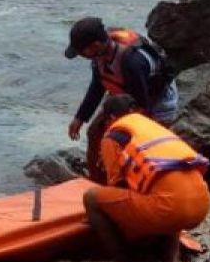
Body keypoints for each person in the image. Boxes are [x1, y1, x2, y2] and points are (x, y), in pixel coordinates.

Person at [83, 94, 210, 262]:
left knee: (91, 199)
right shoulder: (153, 126)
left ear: (111, 118)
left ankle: (120, 261)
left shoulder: (113, 136)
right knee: (164, 188)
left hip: (170, 210)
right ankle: (171, 260)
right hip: (201, 205)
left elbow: (116, 185)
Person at [65, 17, 178, 184]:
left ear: (95, 45)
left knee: (131, 143)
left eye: (82, 52)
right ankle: (96, 182)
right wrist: (80, 118)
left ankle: (132, 184)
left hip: (156, 101)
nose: (81, 56)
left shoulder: (132, 61)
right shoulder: (100, 56)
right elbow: (97, 87)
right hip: (125, 93)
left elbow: (143, 106)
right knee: (95, 133)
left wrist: (123, 130)